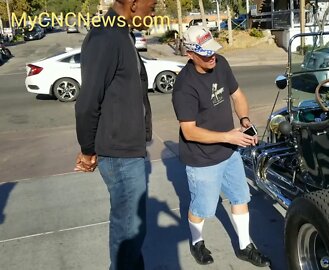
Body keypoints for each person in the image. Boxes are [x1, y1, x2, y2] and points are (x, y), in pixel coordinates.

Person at [171, 25, 271, 267]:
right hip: (202, 159)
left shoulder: (221, 63)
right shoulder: (185, 86)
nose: (211, 56)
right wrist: (229, 137)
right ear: (190, 54)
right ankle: (197, 241)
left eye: (213, 50)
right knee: (202, 208)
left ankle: (245, 246)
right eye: (205, 54)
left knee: (240, 198)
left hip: (230, 152)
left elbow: (237, 95)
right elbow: (189, 130)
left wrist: (244, 121)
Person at [74, 0, 156, 269]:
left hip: (128, 150)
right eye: (152, 5)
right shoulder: (106, 36)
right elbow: (87, 101)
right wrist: (87, 149)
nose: (154, 11)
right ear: (134, 3)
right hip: (119, 154)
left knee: (133, 235)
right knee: (128, 234)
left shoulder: (121, 33)